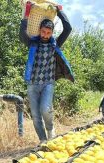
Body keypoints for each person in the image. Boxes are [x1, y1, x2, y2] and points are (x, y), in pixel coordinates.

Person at [19, 2, 74, 143]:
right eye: (43, 32)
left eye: (48, 33)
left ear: (52, 33)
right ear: (39, 30)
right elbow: (22, 32)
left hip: (48, 83)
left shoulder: (55, 44)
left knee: (45, 109)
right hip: (32, 84)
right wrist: (27, 12)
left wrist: (60, 11)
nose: (45, 35)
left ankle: (50, 129)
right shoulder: (32, 43)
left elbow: (68, 28)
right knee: (36, 116)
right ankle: (43, 141)